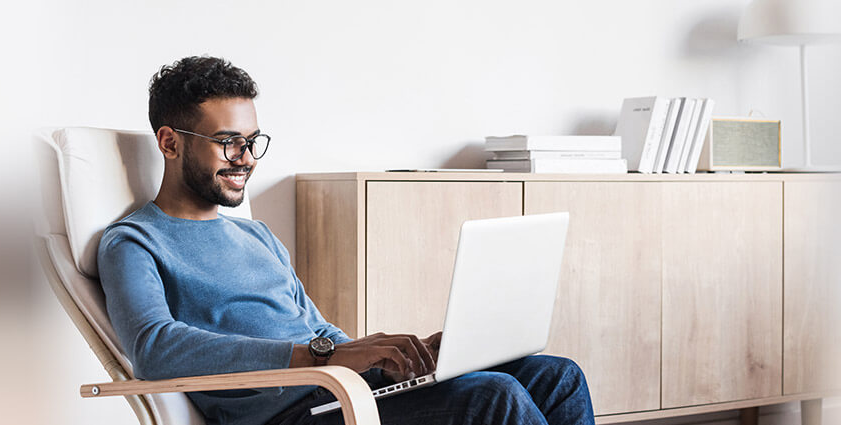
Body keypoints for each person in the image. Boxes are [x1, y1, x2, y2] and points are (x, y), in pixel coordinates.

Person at [97, 56, 594, 425]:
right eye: (228, 141)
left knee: (559, 375)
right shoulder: (134, 242)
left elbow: (315, 329)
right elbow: (155, 348)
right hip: (290, 414)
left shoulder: (257, 235)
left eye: (252, 142)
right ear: (170, 142)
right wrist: (321, 358)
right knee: (495, 397)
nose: (246, 158)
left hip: (340, 388)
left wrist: (398, 358)